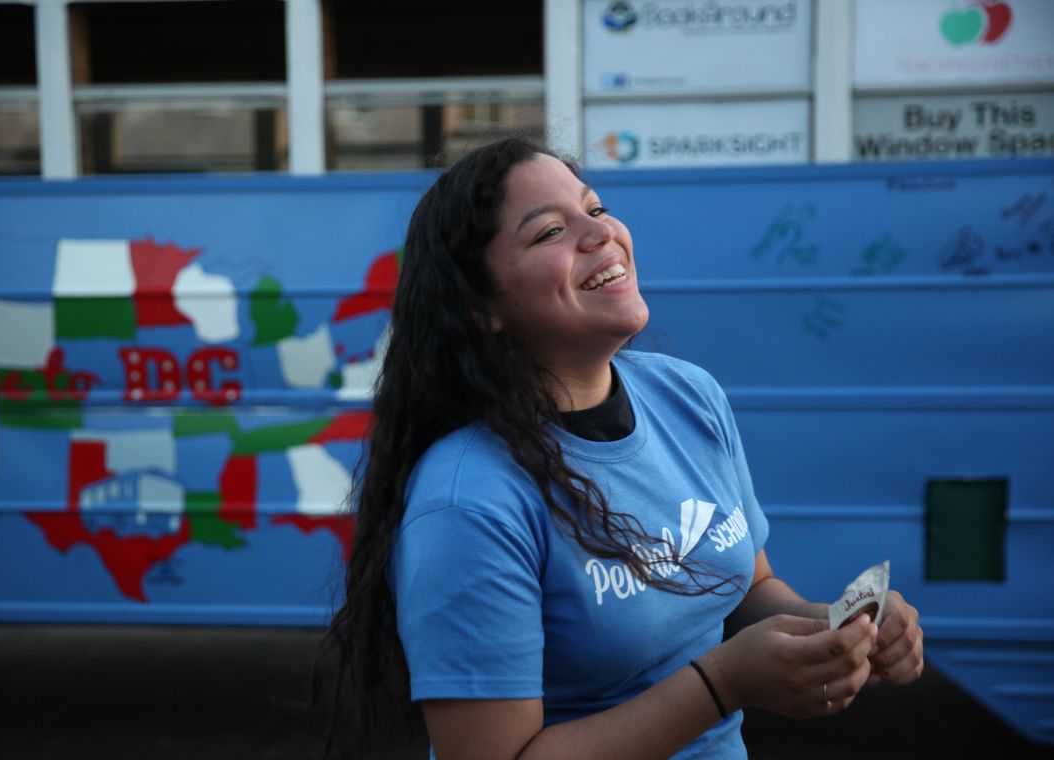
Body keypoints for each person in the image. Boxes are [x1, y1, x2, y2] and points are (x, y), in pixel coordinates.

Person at [318, 136, 924, 759]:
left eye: (596, 208)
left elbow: (746, 585)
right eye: (550, 232)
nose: (601, 232)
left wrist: (836, 626)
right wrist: (723, 683)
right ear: (480, 307)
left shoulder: (690, 396)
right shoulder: (468, 501)